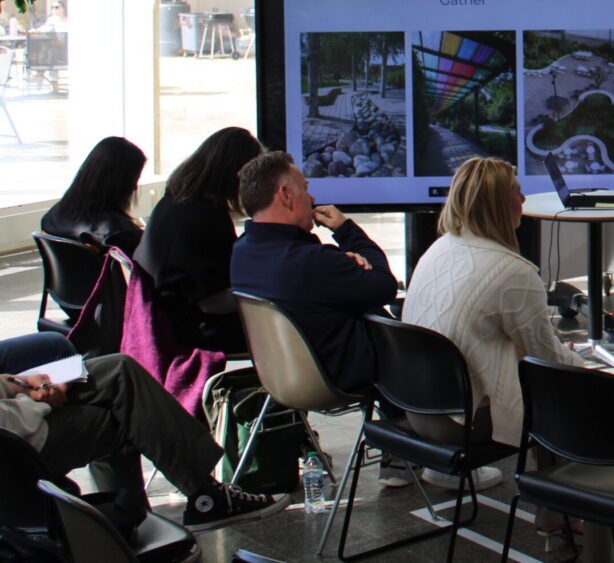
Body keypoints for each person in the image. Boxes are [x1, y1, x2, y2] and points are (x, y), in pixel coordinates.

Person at [403, 157, 582, 489]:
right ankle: (561, 519)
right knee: (565, 393)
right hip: (461, 423)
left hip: (415, 409)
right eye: (517, 192)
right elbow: (548, 361)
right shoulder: (513, 272)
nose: (524, 200)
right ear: (499, 204)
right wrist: (587, 368)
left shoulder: (439, 248)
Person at [0, 348, 285, 530]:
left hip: (14, 397)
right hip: (15, 440)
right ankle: (200, 495)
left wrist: (18, 382)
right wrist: (38, 400)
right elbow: (15, 424)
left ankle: (132, 514)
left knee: (119, 367)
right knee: (122, 419)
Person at [229, 151, 397, 393]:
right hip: (341, 377)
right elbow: (385, 286)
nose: (312, 198)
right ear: (286, 195)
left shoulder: (242, 250)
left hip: (281, 376)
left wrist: (339, 265)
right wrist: (346, 230)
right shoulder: (312, 261)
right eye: (305, 190)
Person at [136, 127, 263, 353]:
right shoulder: (208, 217)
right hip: (195, 330)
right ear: (238, 175)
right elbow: (214, 302)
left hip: (163, 321)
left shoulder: (172, 202)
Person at [40, 136, 147, 253]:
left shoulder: (53, 216)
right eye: (134, 178)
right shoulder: (117, 233)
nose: (134, 187)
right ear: (120, 182)